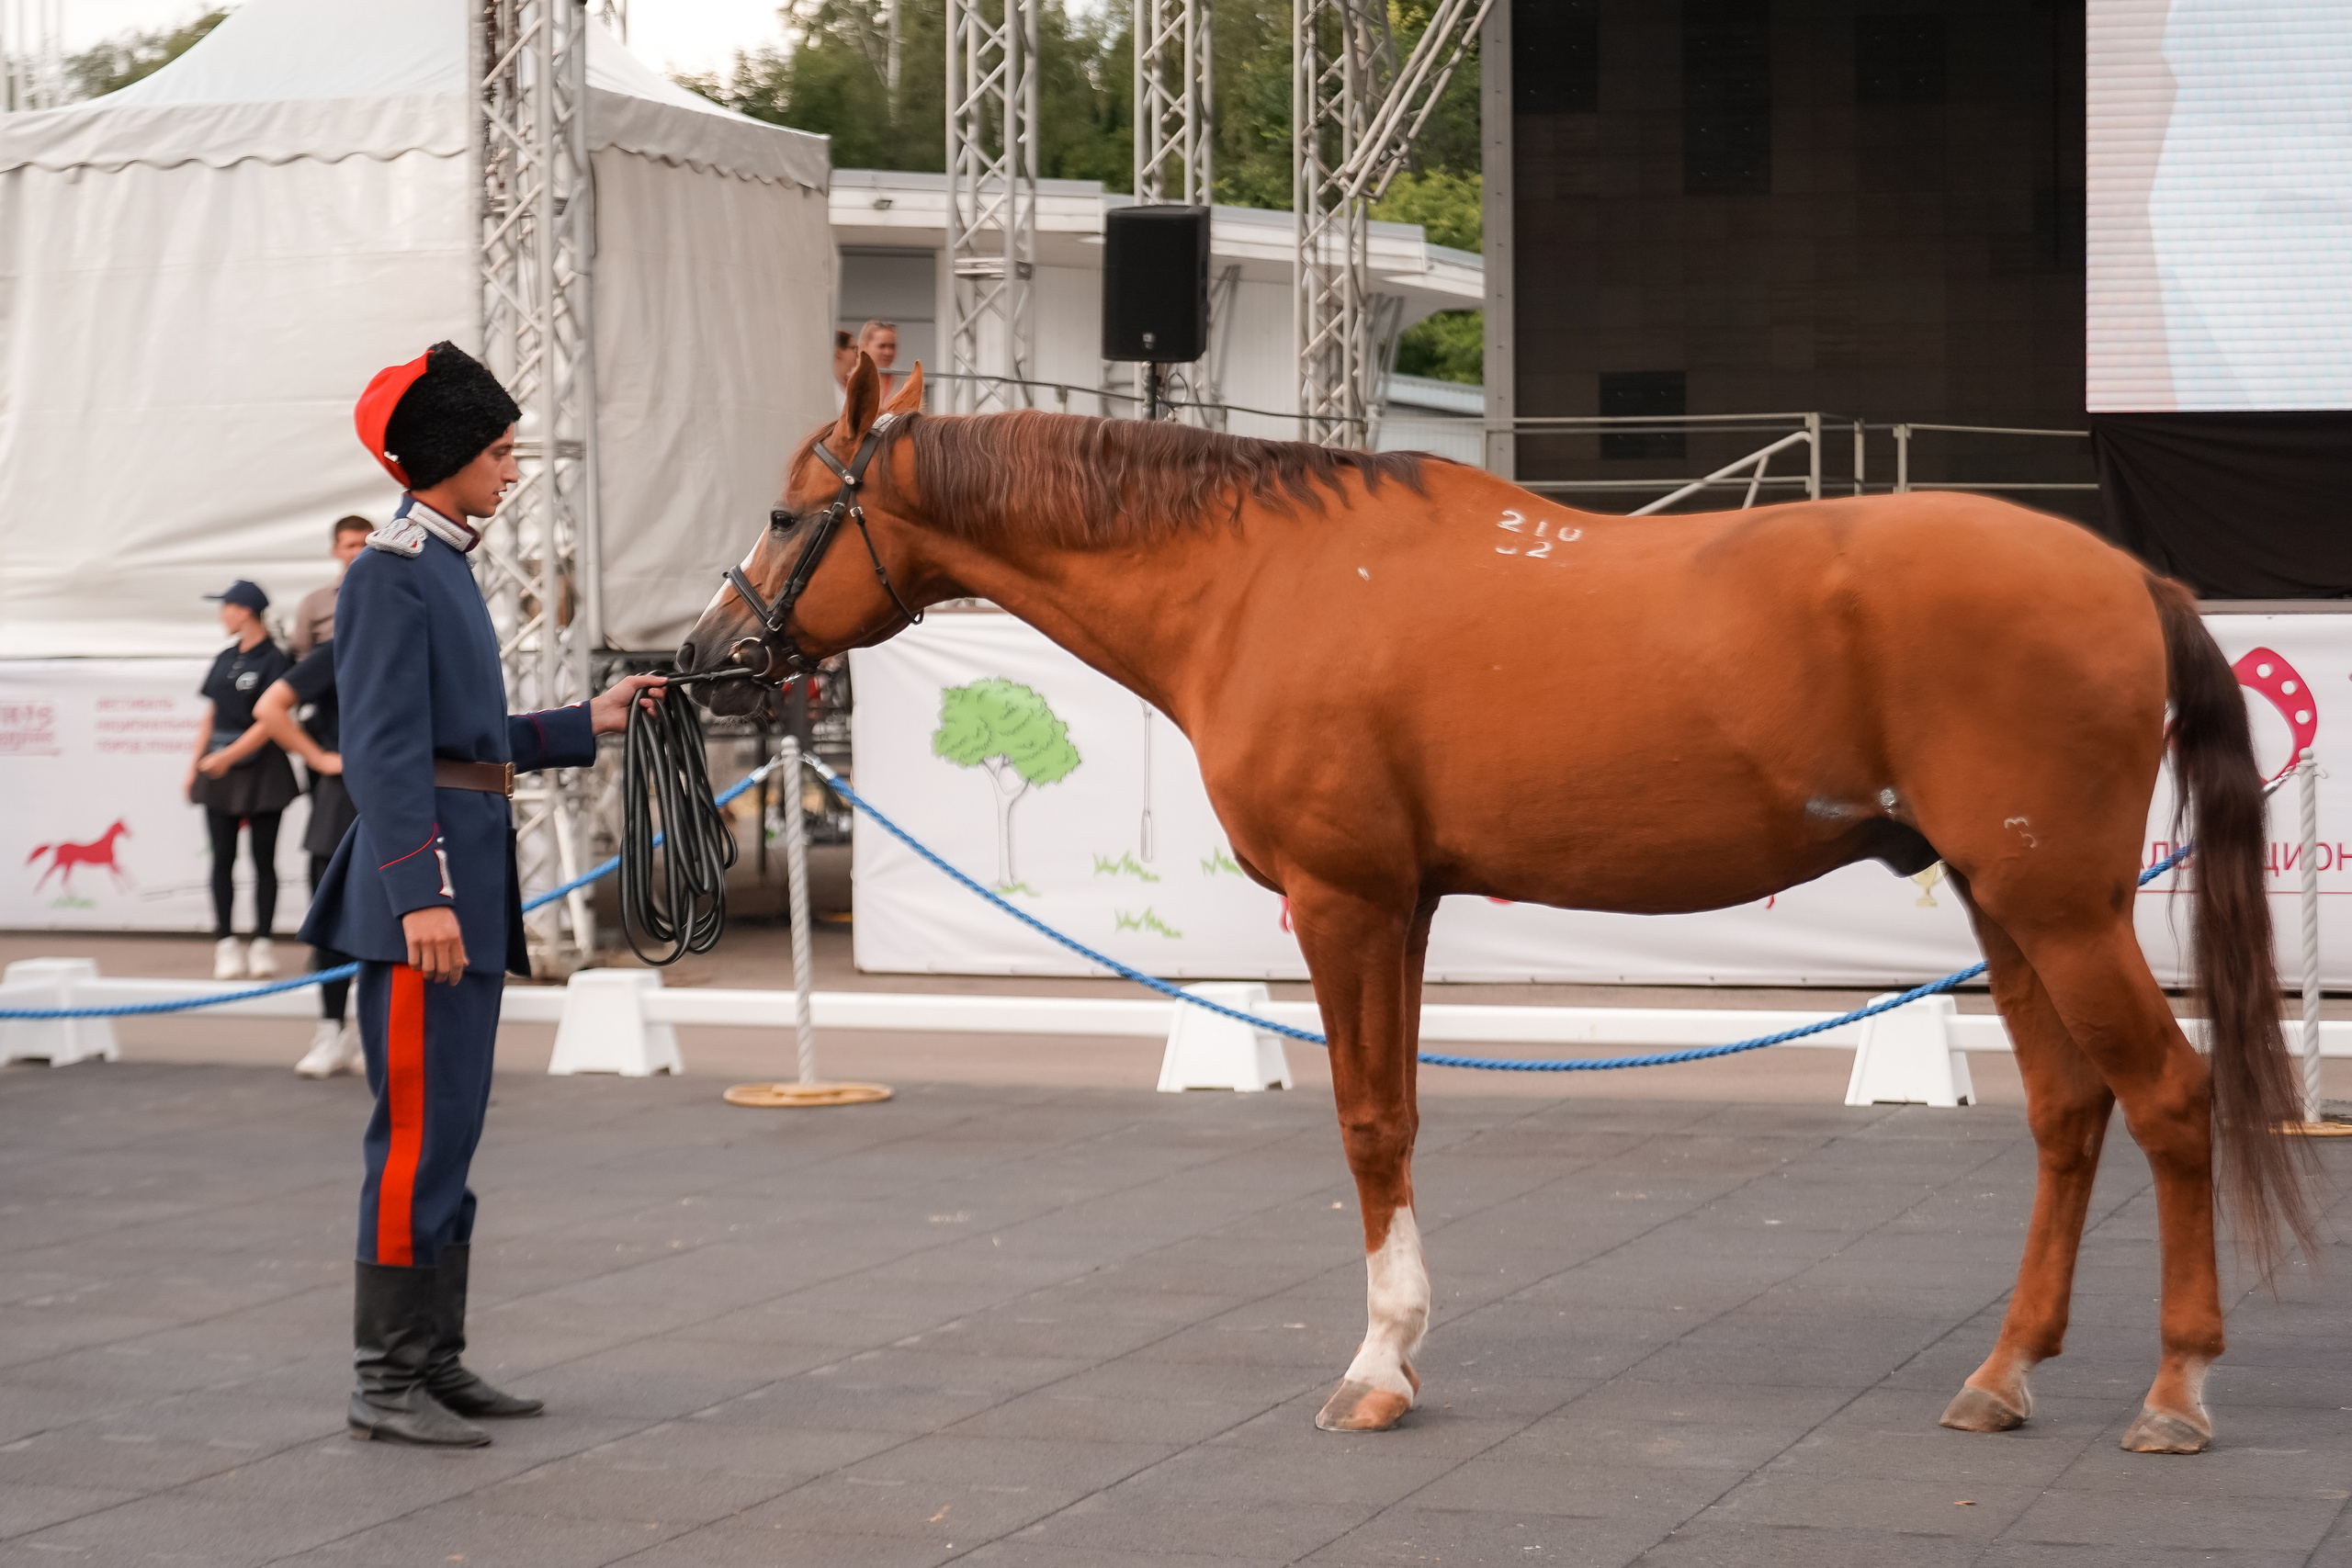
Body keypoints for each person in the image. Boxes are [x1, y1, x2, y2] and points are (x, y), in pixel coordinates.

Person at [303, 340, 664, 1448]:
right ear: (449, 457)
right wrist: (423, 894)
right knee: (414, 1133)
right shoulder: (391, 571)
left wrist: (584, 722)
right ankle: (386, 1377)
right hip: (427, 899)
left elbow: (466, 739)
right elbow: (381, 750)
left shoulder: (443, 565)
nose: (512, 470)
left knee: (450, 1128)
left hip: (459, 884)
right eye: (500, 452)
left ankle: (434, 1360)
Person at [253, 642, 362, 1077]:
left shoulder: (423, 646)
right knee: (333, 929)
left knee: (395, 928)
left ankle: (379, 1032)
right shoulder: (337, 652)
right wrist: (318, 757)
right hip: (341, 806)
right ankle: (332, 1030)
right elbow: (270, 707)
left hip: (406, 794)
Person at [185, 581, 299, 980]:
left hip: (262, 768)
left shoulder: (276, 659)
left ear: (245, 611)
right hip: (218, 771)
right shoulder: (224, 658)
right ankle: (226, 943)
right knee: (222, 860)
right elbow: (212, 714)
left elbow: (273, 717)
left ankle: (264, 942)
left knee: (263, 860)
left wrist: (229, 756)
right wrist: (196, 764)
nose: (222, 615)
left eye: (226, 607)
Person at [289, 515, 372, 659]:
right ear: (335, 551)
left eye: (365, 545)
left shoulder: (393, 594)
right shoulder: (314, 603)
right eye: (351, 546)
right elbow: (300, 655)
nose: (358, 552)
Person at [857, 319, 901, 399]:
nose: (888, 352)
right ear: (865, 346)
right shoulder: (851, 379)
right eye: (882, 346)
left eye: (892, 346)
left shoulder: (904, 382)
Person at [830, 328, 856, 412]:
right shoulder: (829, 387)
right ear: (838, 351)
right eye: (853, 348)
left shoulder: (851, 385)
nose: (857, 354)